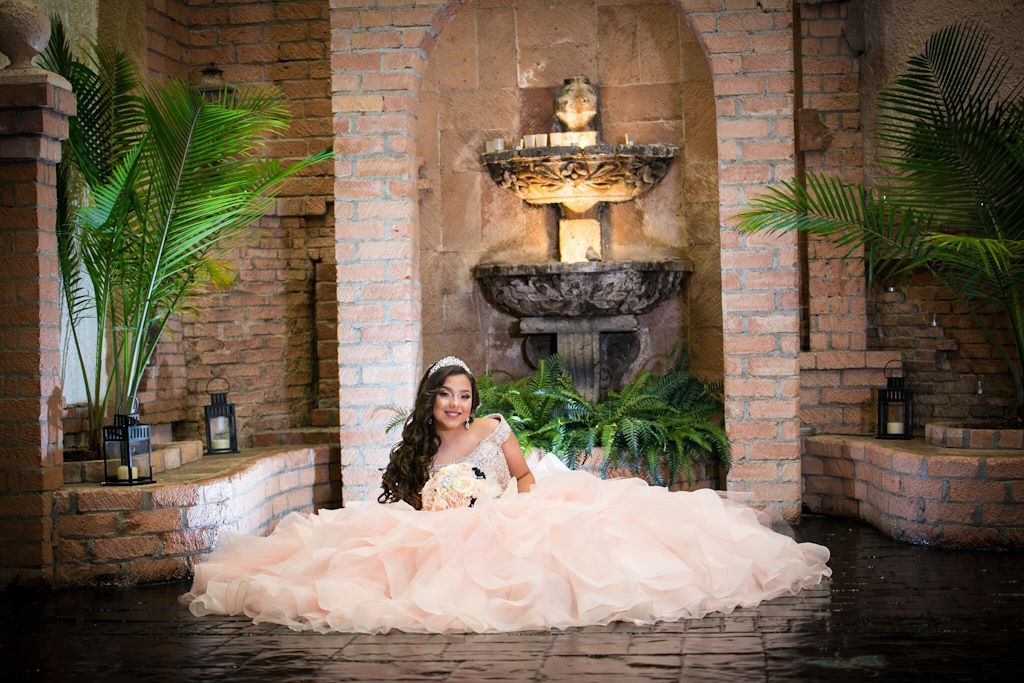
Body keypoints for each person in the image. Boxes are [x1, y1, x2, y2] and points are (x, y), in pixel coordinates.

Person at [183, 356, 831, 634]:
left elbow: (522, 477)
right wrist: (443, 504)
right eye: (446, 395)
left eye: (464, 395)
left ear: (474, 403)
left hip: (504, 510)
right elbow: (412, 505)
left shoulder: (494, 430)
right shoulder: (420, 452)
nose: (456, 404)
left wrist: (508, 505)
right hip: (444, 528)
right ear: (430, 401)